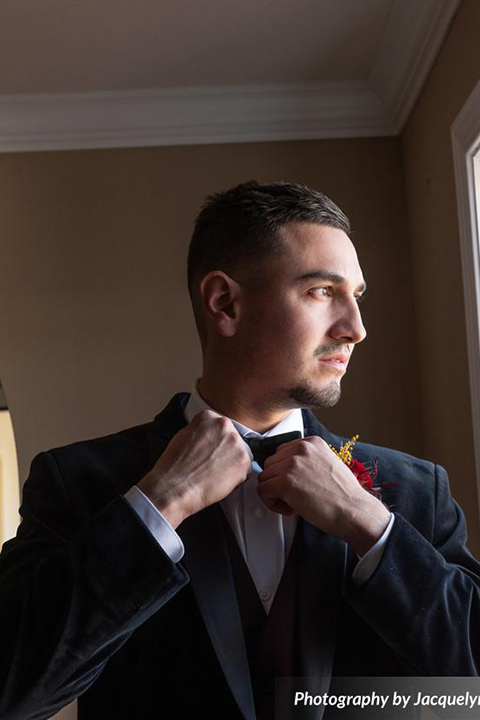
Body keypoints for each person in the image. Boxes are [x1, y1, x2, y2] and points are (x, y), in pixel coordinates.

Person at [0, 180, 479, 720]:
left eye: (357, 297)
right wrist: (160, 503)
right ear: (224, 302)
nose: (356, 329)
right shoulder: (78, 481)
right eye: (322, 291)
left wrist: (368, 523)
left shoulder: (416, 491)